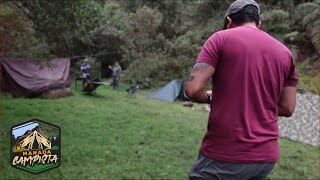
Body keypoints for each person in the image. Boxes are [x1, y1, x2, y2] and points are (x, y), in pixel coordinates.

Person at [185, 0, 298, 179]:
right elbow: (288, 108)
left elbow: (192, 90)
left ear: (229, 21)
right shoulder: (285, 54)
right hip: (265, 159)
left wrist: (209, 97)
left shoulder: (220, 38)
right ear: (258, 24)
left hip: (226, 155)